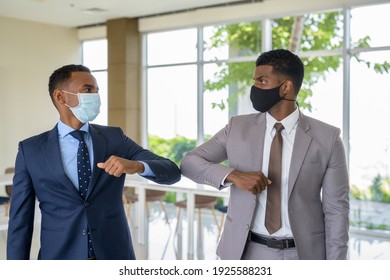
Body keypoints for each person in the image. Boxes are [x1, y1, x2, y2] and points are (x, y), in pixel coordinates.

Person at [180, 49, 349, 260]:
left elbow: (337, 210)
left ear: (286, 87)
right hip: (246, 252)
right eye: (255, 81)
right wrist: (234, 175)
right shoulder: (236, 128)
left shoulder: (328, 138)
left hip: (304, 255)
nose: (254, 88)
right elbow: (189, 162)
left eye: (262, 81)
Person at [7, 64, 181, 260]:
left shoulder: (114, 138)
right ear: (60, 97)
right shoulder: (30, 150)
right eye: (88, 90)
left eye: (97, 91)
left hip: (114, 256)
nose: (95, 96)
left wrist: (138, 166)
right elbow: (20, 221)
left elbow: (172, 171)